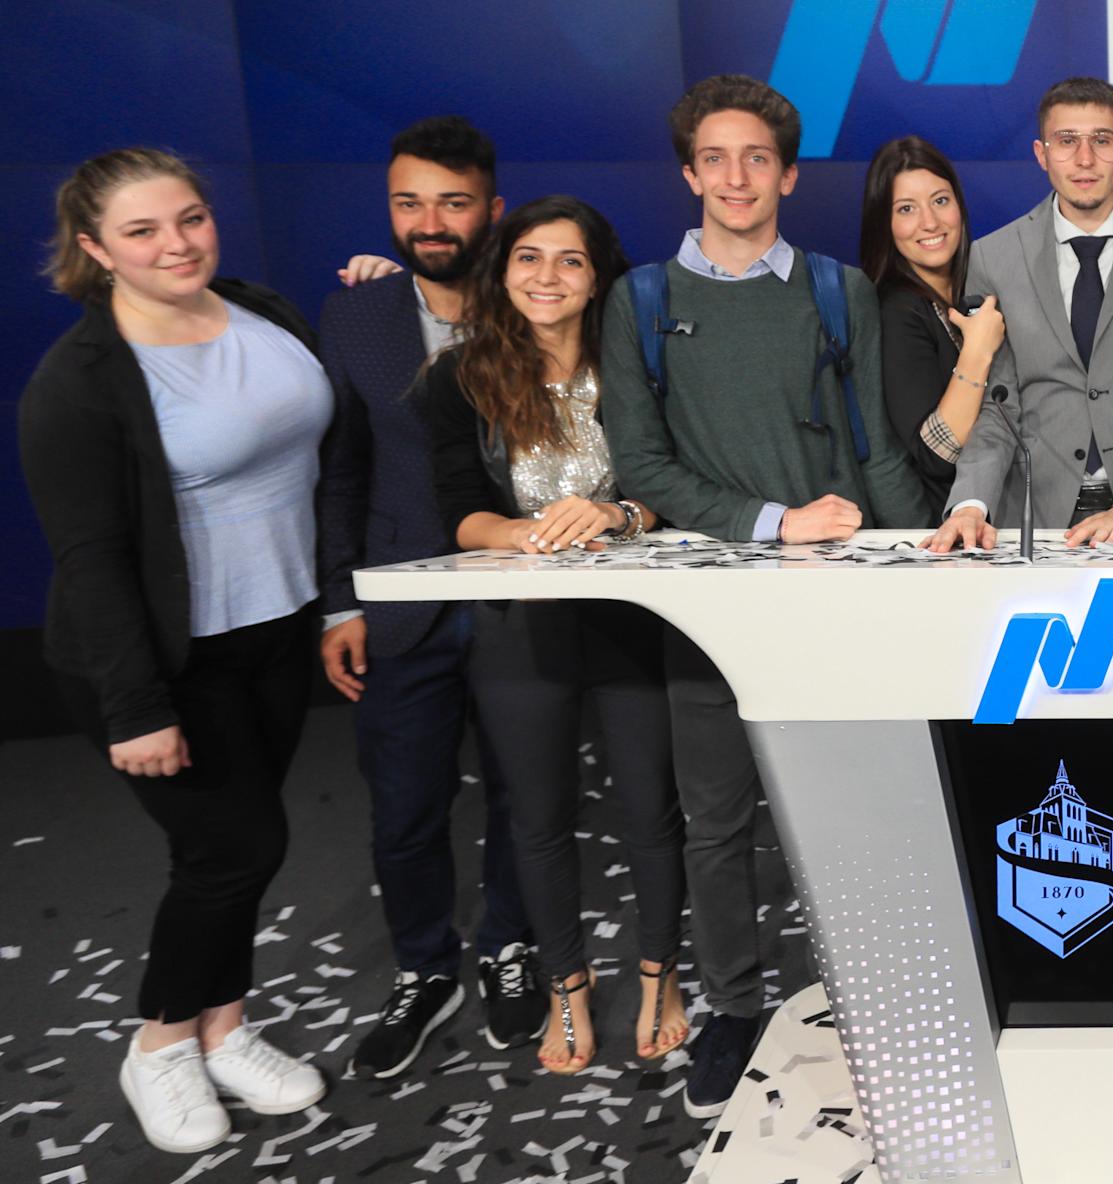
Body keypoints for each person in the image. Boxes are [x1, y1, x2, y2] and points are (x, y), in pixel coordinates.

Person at [599, 74, 927, 1119]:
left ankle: (888, 999)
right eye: (715, 158)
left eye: (757, 159)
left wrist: (926, 553)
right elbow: (642, 465)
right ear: (690, 170)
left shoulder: (837, 290)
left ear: (788, 173)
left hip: (839, 597)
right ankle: (735, 1005)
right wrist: (774, 524)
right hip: (715, 605)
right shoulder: (642, 300)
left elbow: (872, 446)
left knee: (861, 806)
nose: (736, 178)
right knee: (719, 816)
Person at [21, 149, 334, 1152]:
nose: (176, 244)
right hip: (161, 660)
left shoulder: (261, 311)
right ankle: (159, 1043)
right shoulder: (78, 383)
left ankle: (226, 1029)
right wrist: (135, 706)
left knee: (226, 856)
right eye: (146, 230)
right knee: (234, 849)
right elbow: (93, 555)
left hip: (276, 628)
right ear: (94, 248)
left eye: (190, 218)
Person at [424, 196, 687, 1075]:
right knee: (536, 817)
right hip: (519, 624)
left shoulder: (640, 372)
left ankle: (659, 976)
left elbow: (672, 491)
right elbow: (458, 512)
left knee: (651, 808)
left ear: (598, 276)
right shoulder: (459, 378)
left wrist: (617, 512)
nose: (547, 277)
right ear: (502, 273)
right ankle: (566, 988)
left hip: (631, 621)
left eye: (570, 261)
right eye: (529, 258)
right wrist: (521, 531)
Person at [314, 116, 542, 1077]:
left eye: (453, 202)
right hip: (399, 600)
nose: (431, 221)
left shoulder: (541, 297)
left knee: (522, 795)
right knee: (403, 808)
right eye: (410, 202)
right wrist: (340, 603)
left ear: (491, 208)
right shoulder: (355, 314)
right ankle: (423, 968)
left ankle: (511, 946)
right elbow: (341, 471)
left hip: (520, 594)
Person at [927, 78, 1113, 549]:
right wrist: (971, 505)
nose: (1084, 160)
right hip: (1034, 518)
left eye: (1101, 141)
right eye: (1066, 142)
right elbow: (998, 410)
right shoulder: (994, 257)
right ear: (1041, 153)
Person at [861, 135, 1005, 518]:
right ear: (884, 223)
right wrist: (977, 352)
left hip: (1000, 522)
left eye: (940, 201)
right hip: (939, 538)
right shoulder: (898, 308)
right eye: (906, 209)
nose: (929, 222)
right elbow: (936, 453)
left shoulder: (977, 294)